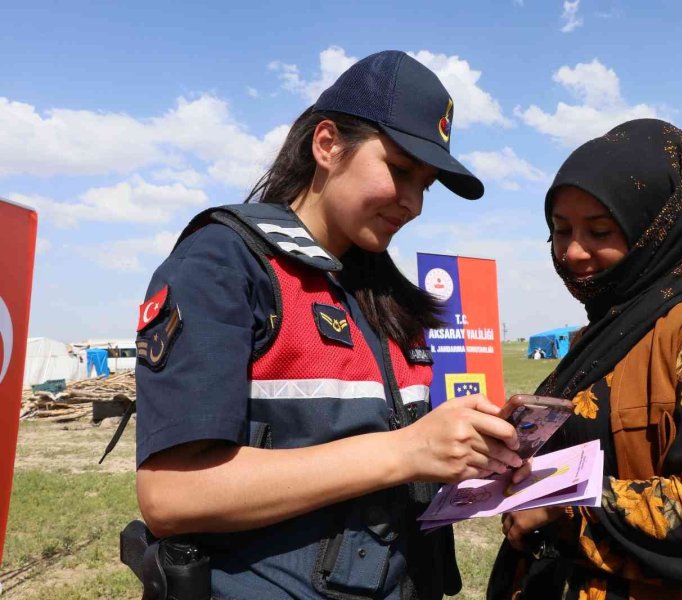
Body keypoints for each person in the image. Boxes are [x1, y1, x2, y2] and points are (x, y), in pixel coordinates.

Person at [133, 50, 526, 600]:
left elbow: (388, 460)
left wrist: (463, 456)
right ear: (326, 145)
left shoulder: (389, 298)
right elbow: (170, 496)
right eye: (400, 170)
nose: (413, 203)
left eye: (427, 184)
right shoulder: (225, 264)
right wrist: (406, 451)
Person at [488, 119, 682, 600]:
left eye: (599, 230)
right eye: (560, 230)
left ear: (656, 231)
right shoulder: (595, 337)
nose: (573, 252)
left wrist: (558, 508)